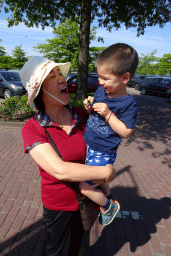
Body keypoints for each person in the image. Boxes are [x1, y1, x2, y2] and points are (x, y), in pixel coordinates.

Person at [20, 56, 116, 256]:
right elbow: (59, 170)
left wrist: (103, 108)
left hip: (88, 199)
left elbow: (107, 139)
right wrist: (104, 172)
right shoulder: (33, 128)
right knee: (56, 252)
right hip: (59, 207)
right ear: (40, 92)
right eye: (52, 76)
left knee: (80, 250)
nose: (62, 79)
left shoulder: (83, 115)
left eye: (60, 73)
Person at [79, 43, 139, 226]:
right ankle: (108, 195)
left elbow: (126, 132)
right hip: (88, 144)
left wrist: (109, 114)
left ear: (125, 78)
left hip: (103, 152)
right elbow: (93, 115)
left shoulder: (128, 104)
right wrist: (89, 107)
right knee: (95, 179)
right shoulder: (100, 91)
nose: (100, 82)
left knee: (85, 187)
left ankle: (108, 206)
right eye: (99, 77)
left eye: (105, 78)